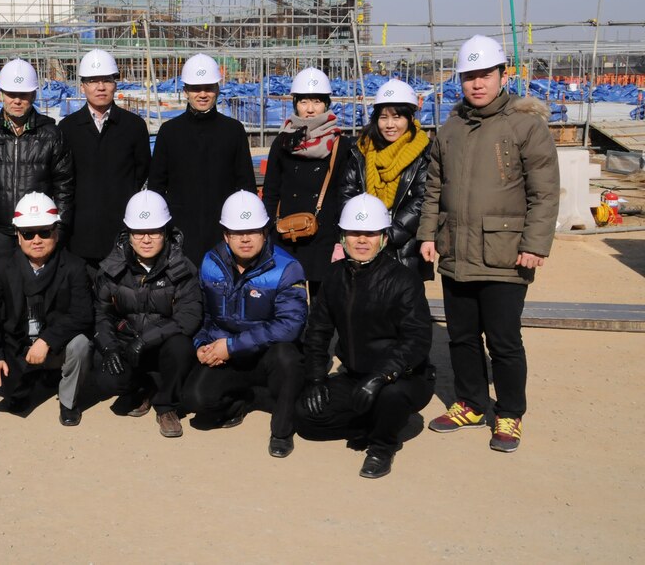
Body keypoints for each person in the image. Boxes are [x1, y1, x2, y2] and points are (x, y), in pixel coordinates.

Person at [418, 35, 559, 453]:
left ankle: (510, 414)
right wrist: (428, 233)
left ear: (502, 74)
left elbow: (545, 192)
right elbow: (434, 187)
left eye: (484, 74)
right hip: (457, 250)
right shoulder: (451, 129)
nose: (477, 83)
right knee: (461, 335)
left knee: (503, 340)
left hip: (505, 253)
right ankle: (472, 403)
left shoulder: (524, 126)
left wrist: (535, 244)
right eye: (468, 76)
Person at [295, 195, 435, 478]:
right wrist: (316, 379)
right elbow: (318, 331)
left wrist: (381, 376)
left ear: (383, 237)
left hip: (402, 377)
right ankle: (375, 424)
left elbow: (416, 339)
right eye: (354, 233)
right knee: (305, 418)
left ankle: (383, 445)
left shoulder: (404, 280)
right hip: (355, 375)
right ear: (343, 237)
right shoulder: (334, 276)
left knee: (390, 398)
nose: (361, 240)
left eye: (370, 233)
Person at [182, 190, 308, 458]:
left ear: (264, 231)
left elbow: (290, 325)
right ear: (225, 235)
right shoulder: (210, 263)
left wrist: (231, 346)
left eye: (253, 230)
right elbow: (204, 315)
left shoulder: (287, 268)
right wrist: (202, 343)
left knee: (288, 356)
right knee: (195, 399)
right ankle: (248, 398)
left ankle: (282, 431)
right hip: (229, 353)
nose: (245, 238)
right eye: (237, 232)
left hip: (266, 354)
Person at [0, 192, 93, 426]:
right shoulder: (3, 268)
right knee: (0, 390)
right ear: (18, 236)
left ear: (56, 233)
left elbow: (82, 313)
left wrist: (46, 340)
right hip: (18, 345)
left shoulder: (74, 267)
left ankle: (68, 402)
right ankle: (35, 377)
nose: (36, 239)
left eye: (44, 231)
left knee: (81, 344)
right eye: (28, 233)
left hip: (55, 345)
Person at [93, 191, 200, 438]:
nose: (146, 239)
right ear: (128, 235)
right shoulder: (112, 269)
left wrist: (146, 340)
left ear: (165, 232)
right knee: (105, 371)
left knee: (181, 348)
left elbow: (190, 316)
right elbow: (101, 313)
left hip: (162, 344)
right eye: (139, 232)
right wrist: (109, 347)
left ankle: (166, 406)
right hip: (127, 341)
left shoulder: (182, 267)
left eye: (154, 231)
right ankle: (141, 389)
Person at [148, 53, 256, 265]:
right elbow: (157, 186)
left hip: (224, 231)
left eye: (208, 88)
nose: (203, 94)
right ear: (186, 91)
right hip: (180, 233)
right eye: (196, 89)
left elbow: (246, 185)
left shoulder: (233, 131)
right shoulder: (169, 132)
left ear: (217, 89)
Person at [0, 58, 74, 261]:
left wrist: (59, 226)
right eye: (11, 94)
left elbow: (65, 186)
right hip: (0, 231)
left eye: (23, 94)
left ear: (33, 95)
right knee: (3, 289)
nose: (17, 100)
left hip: (38, 231)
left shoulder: (52, 136)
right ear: (0, 94)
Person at [262, 67, 352, 297]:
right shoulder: (282, 142)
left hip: (325, 237)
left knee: (324, 305)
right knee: (289, 301)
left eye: (317, 101)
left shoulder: (341, 145)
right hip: (287, 235)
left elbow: (346, 193)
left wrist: (342, 237)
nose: (310, 109)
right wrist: (269, 229)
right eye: (303, 101)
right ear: (295, 104)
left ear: (326, 104)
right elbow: (271, 191)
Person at [57, 49, 150, 273]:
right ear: (82, 86)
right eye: (93, 81)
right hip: (79, 235)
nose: (100, 87)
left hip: (121, 233)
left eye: (107, 80)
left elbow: (142, 173)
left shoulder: (133, 126)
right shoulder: (67, 128)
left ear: (115, 84)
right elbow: (62, 181)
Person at [339, 79, 432, 279]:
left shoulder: (423, 153)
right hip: (364, 246)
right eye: (383, 117)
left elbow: (422, 200)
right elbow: (348, 192)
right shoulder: (361, 151)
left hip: (405, 250)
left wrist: (389, 235)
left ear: (409, 118)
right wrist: (366, 234)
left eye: (397, 117)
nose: (390, 125)